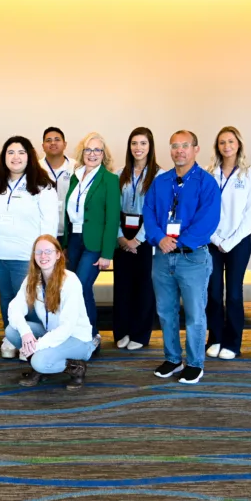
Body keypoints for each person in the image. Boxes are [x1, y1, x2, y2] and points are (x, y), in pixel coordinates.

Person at [143, 130, 221, 385]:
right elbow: (150, 213)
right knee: (165, 312)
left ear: (196, 149)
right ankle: (173, 358)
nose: (179, 151)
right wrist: (158, 238)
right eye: (174, 146)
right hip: (163, 257)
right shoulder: (161, 181)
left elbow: (207, 221)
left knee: (195, 314)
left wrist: (177, 242)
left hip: (192, 259)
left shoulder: (206, 183)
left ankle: (195, 363)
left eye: (185, 146)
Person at [0, 136, 59, 356]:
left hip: (26, 256)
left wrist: (45, 254)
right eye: (10, 152)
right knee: (7, 297)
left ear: (30, 156)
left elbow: (50, 223)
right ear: (3, 156)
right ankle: (11, 337)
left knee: (30, 300)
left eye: (21, 152)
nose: (15, 157)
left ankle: (32, 342)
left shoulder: (42, 184)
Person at [5, 235, 95, 390]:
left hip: (77, 338)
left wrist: (37, 346)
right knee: (12, 331)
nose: (43, 256)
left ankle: (76, 367)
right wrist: (26, 333)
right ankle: (40, 366)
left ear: (58, 255)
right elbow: (15, 307)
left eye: (48, 251)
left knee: (39, 361)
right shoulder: (33, 279)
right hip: (52, 333)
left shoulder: (70, 281)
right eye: (38, 252)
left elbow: (67, 328)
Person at [205, 126, 251, 361]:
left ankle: (233, 342)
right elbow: (203, 210)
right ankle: (215, 338)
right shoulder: (209, 173)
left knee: (234, 294)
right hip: (212, 241)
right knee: (214, 292)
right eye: (221, 142)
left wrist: (229, 242)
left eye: (230, 141)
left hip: (238, 243)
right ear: (217, 147)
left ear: (238, 144)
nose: (226, 146)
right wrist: (216, 239)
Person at [63, 132, 120, 354]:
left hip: (95, 244)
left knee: (81, 286)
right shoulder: (75, 176)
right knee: (72, 288)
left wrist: (107, 254)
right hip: (74, 241)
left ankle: (91, 335)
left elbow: (112, 218)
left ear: (104, 155)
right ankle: (78, 334)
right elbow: (69, 212)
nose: (92, 154)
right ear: (82, 152)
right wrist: (66, 243)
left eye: (97, 150)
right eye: (88, 149)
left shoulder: (110, 179)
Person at [114, 127, 160, 351]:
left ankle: (140, 334)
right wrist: (120, 236)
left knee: (144, 287)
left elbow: (157, 212)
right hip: (122, 232)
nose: (138, 148)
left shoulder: (160, 176)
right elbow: (112, 208)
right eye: (134, 143)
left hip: (146, 236)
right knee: (122, 286)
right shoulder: (119, 172)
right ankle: (122, 330)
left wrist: (138, 239)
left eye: (143, 143)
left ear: (150, 146)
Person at [41, 127, 75, 238]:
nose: (53, 143)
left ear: (65, 144)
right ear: (43, 146)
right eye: (48, 140)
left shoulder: (76, 167)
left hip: (71, 231)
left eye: (57, 139)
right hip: (43, 230)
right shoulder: (35, 168)